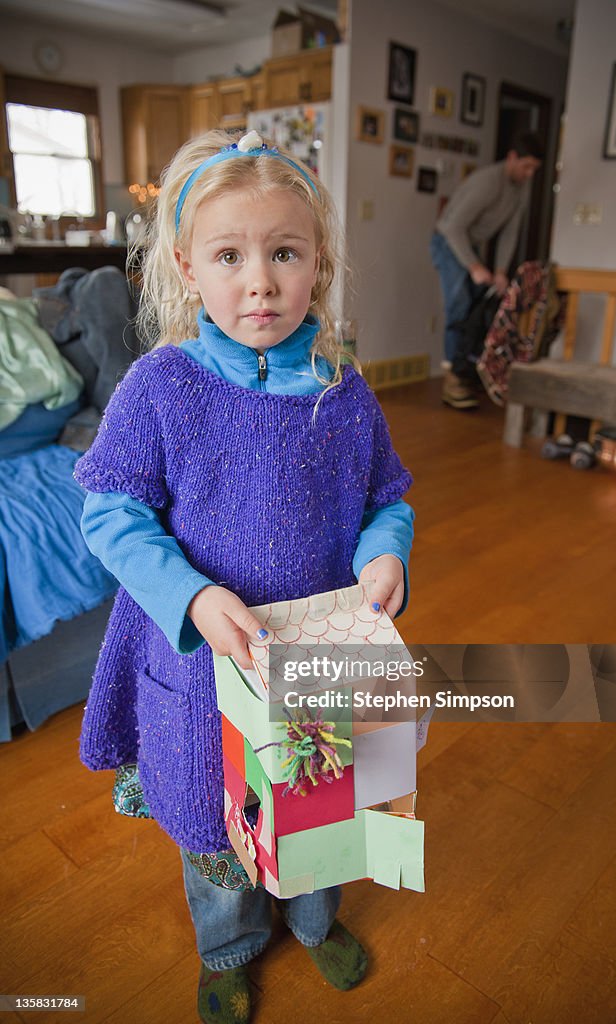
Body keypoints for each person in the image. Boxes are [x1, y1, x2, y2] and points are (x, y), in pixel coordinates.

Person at [74, 128, 415, 1024]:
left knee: (321, 807)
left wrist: (387, 551)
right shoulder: (161, 386)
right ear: (187, 266)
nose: (258, 280)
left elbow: (388, 495)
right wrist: (189, 593)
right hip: (201, 667)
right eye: (229, 255)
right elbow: (109, 507)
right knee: (214, 836)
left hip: (317, 658)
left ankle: (312, 920)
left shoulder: (343, 390)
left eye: (284, 253)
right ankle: (228, 946)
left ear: (319, 265)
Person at [430, 132, 544, 410]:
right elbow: (453, 227)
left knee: (478, 311)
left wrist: (502, 270)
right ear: (512, 157)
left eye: (534, 170)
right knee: (459, 308)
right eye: (526, 166)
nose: (529, 174)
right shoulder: (487, 183)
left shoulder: (520, 189)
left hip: (471, 246)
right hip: (448, 243)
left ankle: (465, 372)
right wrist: (475, 266)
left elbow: (510, 233)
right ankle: (452, 380)